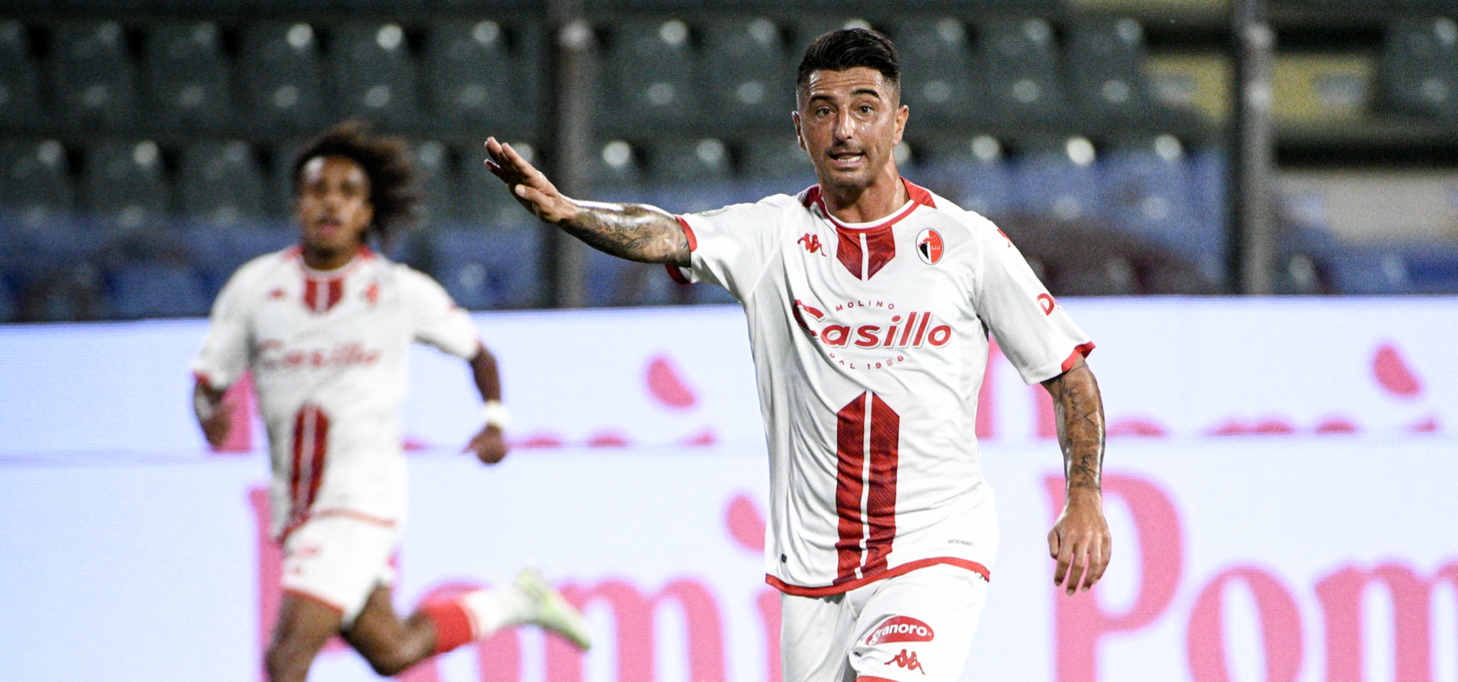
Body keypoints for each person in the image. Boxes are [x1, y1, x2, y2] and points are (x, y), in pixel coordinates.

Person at [483, 28, 1110, 682]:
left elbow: (1069, 375)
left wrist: (1085, 496)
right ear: (799, 129)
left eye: (864, 109)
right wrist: (569, 211)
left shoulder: (965, 243)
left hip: (934, 549)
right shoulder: (770, 235)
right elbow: (667, 233)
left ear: (898, 123)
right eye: (823, 110)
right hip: (810, 575)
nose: (844, 130)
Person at [191, 121, 591, 682]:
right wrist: (208, 414)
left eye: (348, 192)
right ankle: (518, 601)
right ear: (297, 203)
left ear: (367, 212)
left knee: (286, 659)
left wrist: (494, 421)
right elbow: (208, 381)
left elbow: (480, 355)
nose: (331, 202)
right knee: (393, 649)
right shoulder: (254, 288)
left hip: (359, 502)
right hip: (297, 508)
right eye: (317, 189)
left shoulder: (398, 290)